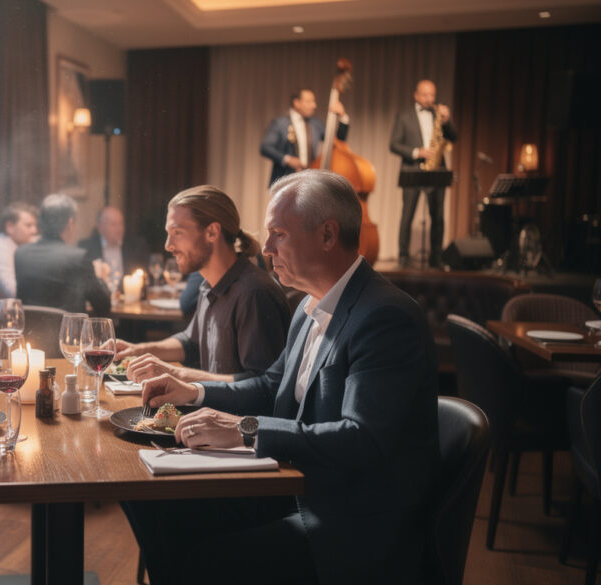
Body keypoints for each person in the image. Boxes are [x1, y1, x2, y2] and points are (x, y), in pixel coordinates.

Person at [123, 169, 439, 585]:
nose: (266, 247)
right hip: (297, 489)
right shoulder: (311, 308)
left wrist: (245, 429)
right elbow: (271, 386)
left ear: (328, 235)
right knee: (154, 506)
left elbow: (362, 439)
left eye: (279, 235)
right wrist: (196, 392)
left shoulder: (384, 317)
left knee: (207, 557)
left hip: (350, 522)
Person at [114, 185, 290, 383]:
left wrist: (176, 374)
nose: (168, 245)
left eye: (177, 232)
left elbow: (262, 386)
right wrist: (138, 351)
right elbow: (190, 342)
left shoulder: (254, 293)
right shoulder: (209, 285)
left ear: (212, 232)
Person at [390, 79, 457, 268]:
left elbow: (454, 136)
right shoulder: (404, 116)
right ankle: (403, 257)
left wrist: (446, 120)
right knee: (407, 215)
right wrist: (417, 152)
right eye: (426, 95)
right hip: (412, 169)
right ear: (416, 95)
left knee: (438, 216)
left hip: (436, 170)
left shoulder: (439, 115)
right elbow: (393, 144)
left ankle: (436, 257)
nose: (430, 99)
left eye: (433, 95)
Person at [15, 193, 111, 314]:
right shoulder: (78, 257)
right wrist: (99, 276)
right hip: (68, 332)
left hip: (30, 332)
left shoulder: (21, 253)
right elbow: (103, 305)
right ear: (70, 223)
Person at [261, 88, 350, 187]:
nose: (314, 105)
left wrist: (343, 117)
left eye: (313, 102)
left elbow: (338, 141)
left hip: (309, 183)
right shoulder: (280, 123)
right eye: (309, 101)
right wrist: (288, 159)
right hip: (285, 182)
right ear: (296, 103)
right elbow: (265, 148)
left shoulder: (315, 124)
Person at [78, 206, 150, 289]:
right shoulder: (86, 247)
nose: (119, 229)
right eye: (113, 224)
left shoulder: (136, 246)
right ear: (100, 228)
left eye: (121, 223)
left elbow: (144, 278)